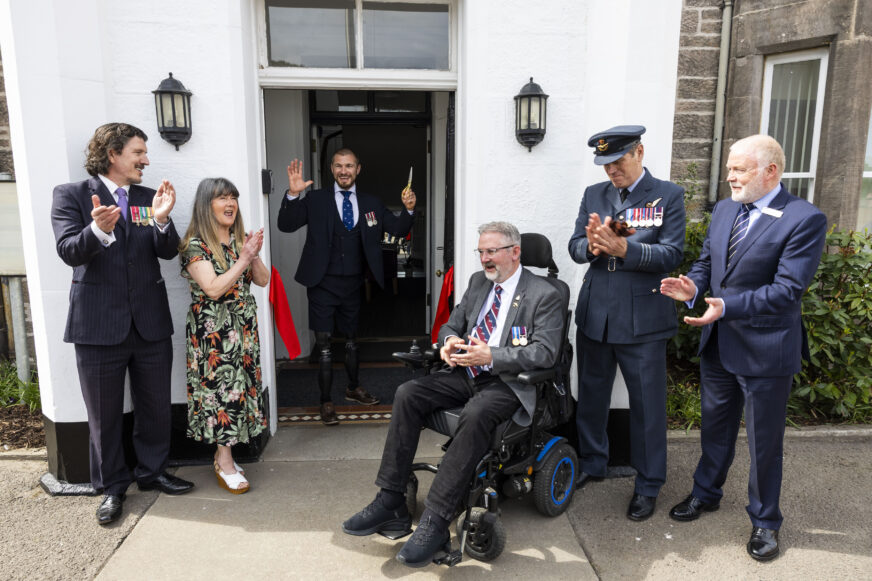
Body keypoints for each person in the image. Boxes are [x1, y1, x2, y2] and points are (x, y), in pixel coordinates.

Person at [342, 221, 564, 568]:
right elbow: (451, 324)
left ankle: (436, 522)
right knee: (407, 393)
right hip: (465, 372)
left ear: (515, 252)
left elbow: (545, 353)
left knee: (476, 414)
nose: (485, 260)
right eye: (481, 252)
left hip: (507, 383)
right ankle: (390, 500)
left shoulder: (545, 294)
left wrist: (491, 354)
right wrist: (449, 342)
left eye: (492, 252)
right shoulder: (478, 284)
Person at [660, 134, 827, 561]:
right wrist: (692, 284)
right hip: (719, 343)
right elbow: (708, 263)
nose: (730, 176)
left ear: (771, 171)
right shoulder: (725, 208)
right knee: (715, 428)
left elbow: (787, 290)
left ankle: (766, 522)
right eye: (729, 168)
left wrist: (726, 306)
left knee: (764, 443)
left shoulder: (804, 219)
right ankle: (706, 493)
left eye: (739, 169)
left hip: (766, 350)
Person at [50, 122, 194, 526]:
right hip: (97, 327)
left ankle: (153, 472)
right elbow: (68, 251)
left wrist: (163, 222)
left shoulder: (149, 199)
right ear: (112, 154)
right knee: (105, 413)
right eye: (138, 153)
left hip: (149, 323)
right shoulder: (71, 196)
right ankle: (112, 488)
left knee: (154, 407)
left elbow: (168, 252)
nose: (145, 160)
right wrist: (98, 228)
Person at [568, 125, 685, 521]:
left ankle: (649, 485)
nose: (611, 171)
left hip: (643, 319)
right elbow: (574, 247)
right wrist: (591, 245)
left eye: (617, 162)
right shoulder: (593, 195)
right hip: (596, 314)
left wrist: (626, 249)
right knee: (592, 395)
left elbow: (671, 253)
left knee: (647, 407)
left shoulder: (667, 195)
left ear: (639, 152)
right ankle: (592, 462)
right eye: (605, 164)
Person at [277, 149, 416, 425]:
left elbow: (398, 229)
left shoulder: (371, 203)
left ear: (358, 169)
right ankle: (325, 401)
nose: (344, 170)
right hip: (321, 284)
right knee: (325, 345)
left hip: (353, 284)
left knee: (353, 342)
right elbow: (286, 224)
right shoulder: (315, 200)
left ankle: (353, 388)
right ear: (331, 169)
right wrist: (292, 195)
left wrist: (409, 209)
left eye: (349, 166)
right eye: (339, 166)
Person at [179, 178, 270, 494]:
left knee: (241, 388)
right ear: (207, 205)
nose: (230, 203)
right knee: (221, 393)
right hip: (214, 334)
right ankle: (224, 460)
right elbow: (214, 288)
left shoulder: (238, 240)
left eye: (233, 197)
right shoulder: (195, 245)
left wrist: (252, 253)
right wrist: (243, 258)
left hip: (243, 330)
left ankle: (226, 455)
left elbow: (262, 280)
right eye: (222, 198)